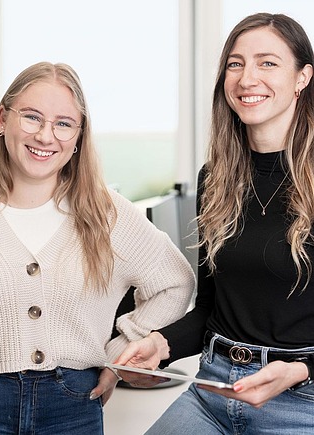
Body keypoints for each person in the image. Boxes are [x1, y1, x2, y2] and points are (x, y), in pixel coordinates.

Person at [115, 12, 314, 434]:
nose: (246, 78)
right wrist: (160, 344)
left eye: (268, 63)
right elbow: (210, 308)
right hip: (211, 389)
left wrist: (299, 370)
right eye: (235, 63)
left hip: (301, 403)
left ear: (302, 78)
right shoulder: (216, 178)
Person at [0, 61, 196, 434]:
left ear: (79, 136)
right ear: (3, 118)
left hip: (74, 407)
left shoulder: (106, 213)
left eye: (64, 123)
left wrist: (121, 353)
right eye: (32, 117)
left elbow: (175, 282)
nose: (46, 136)